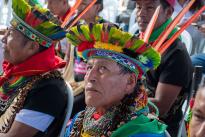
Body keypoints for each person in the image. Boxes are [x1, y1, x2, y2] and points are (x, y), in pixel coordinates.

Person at [64, 23, 168, 137]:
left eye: (103, 68)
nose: (89, 77)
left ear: (130, 82)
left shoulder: (142, 132)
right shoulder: (80, 120)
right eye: (89, 67)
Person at [0, 0, 68, 136]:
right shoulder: (14, 73)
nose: (3, 39)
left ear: (32, 47)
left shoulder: (49, 89)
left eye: (11, 34)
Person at [134, 0, 193, 136]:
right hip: (129, 115)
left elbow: (160, 107)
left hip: (156, 127)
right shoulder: (137, 41)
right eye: (138, 7)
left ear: (168, 12)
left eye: (149, 8)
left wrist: (118, 100)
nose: (141, 13)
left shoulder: (177, 55)